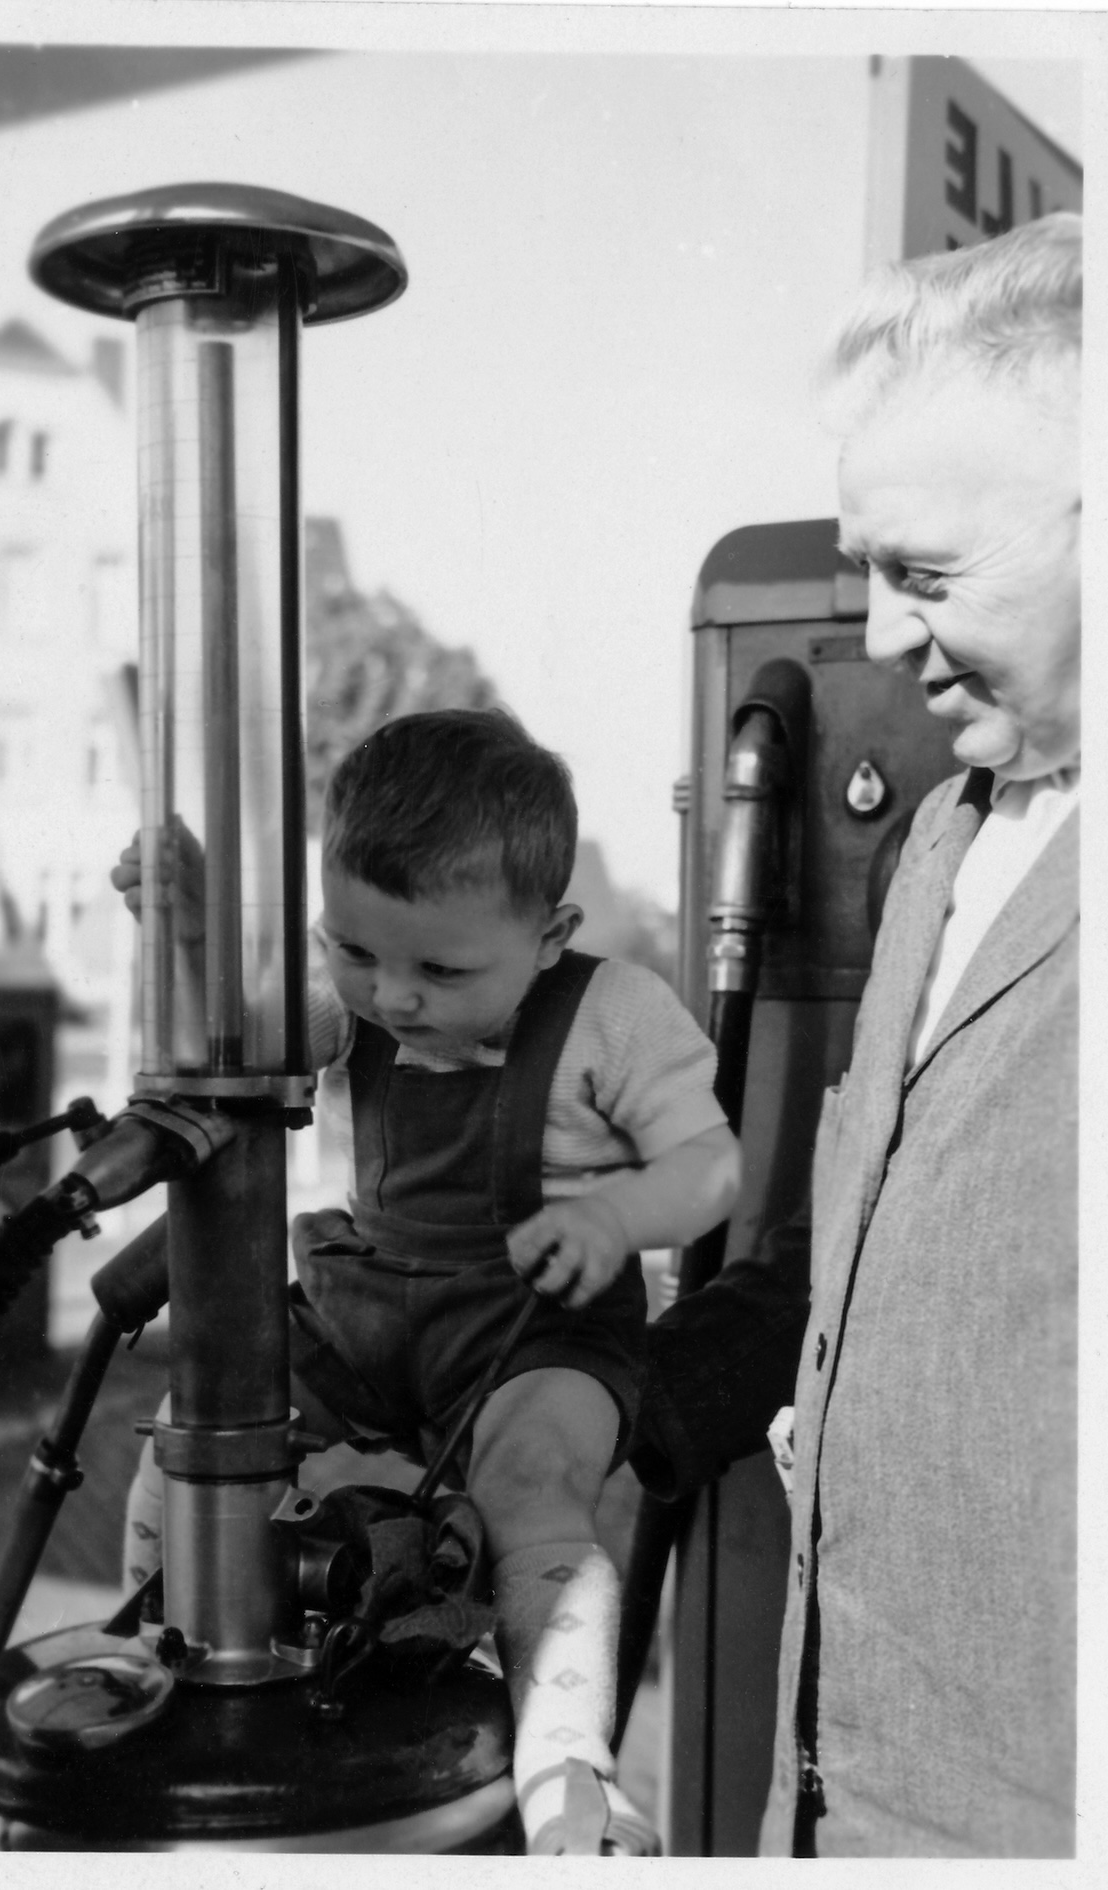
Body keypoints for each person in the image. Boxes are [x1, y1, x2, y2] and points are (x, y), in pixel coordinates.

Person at [629, 212, 1080, 1857]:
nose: (884, 636)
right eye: (869, 571)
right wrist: (610, 1405)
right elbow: (849, 1263)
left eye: (928, 575)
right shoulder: (949, 839)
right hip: (828, 1810)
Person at [113, 707, 741, 1856]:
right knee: (191, 1431)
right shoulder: (350, 999)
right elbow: (238, 1046)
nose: (392, 997)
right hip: (366, 1301)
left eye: (441, 970)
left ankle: (566, 1774)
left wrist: (614, 1214)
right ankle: (152, 1659)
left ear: (550, 936)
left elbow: (709, 1166)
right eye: (355, 952)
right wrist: (194, 934)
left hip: (535, 1324)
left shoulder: (612, 1015)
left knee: (532, 1483)